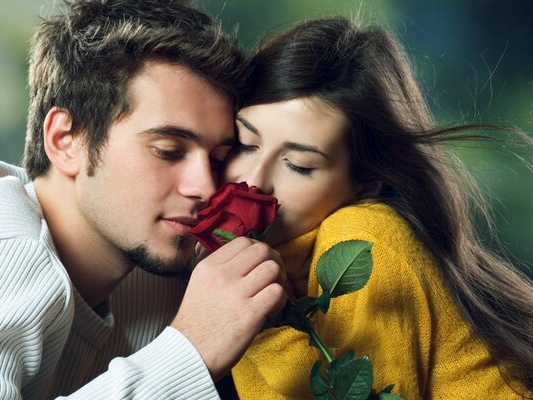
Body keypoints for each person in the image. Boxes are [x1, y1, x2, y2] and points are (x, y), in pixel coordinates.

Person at [0, 1, 287, 399]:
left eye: (218, 159)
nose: (205, 188)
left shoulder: (150, 269)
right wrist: (190, 351)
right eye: (168, 151)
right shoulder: (2, 251)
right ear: (65, 141)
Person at [224, 16, 533, 399]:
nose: (253, 180)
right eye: (242, 143)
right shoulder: (285, 257)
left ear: (366, 182)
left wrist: (263, 324)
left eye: (299, 165)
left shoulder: (364, 239)